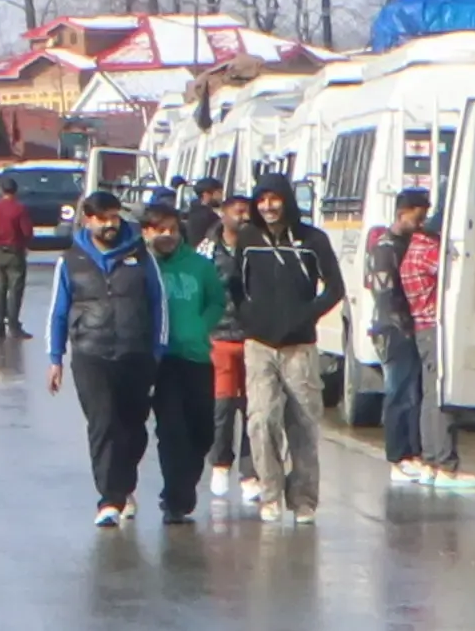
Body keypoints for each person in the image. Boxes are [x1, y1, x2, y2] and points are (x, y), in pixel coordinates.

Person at [224, 179, 350, 523]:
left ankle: (304, 499)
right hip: (259, 344)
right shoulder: (249, 239)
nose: (268, 206)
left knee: (304, 423)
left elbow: (335, 287)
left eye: (274, 199)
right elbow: (236, 283)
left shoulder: (313, 240)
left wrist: (305, 315)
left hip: (300, 346)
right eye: (261, 200)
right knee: (261, 420)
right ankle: (270, 493)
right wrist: (247, 315)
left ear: (287, 201)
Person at [52, 188, 164, 521]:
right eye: (103, 219)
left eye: (115, 217)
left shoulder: (142, 256)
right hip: (90, 353)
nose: (110, 224)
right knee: (102, 424)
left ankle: (123, 484)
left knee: (133, 426)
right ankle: (109, 499)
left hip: (136, 352)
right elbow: (58, 312)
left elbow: (159, 304)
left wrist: (158, 350)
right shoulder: (71, 260)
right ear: (88, 221)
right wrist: (54, 357)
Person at [151, 195, 232, 520]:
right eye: (159, 229)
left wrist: (202, 325)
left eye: (172, 229)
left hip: (197, 358)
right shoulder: (145, 266)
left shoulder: (200, 266)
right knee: (172, 431)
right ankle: (176, 499)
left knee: (202, 432)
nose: (166, 235)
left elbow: (217, 301)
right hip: (162, 361)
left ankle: (182, 486)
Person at [375, 187, 447, 478]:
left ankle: (413, 451)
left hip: (413, 325)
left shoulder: (411, 242)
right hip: (393, 329)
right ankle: (397, 457)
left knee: (414, 393)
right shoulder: (385, 247)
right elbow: (384, 293)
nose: (421, 223)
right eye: (417, 218)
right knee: (398, 393)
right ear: (401, 213)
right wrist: (402, 326)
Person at [0, 166, 33, 341]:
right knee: (15, 290)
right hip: (15, 253)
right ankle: (14, 325)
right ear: (15, 191)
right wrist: (23, 246)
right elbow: (27, 232)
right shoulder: (19, 209)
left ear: (2, 191)